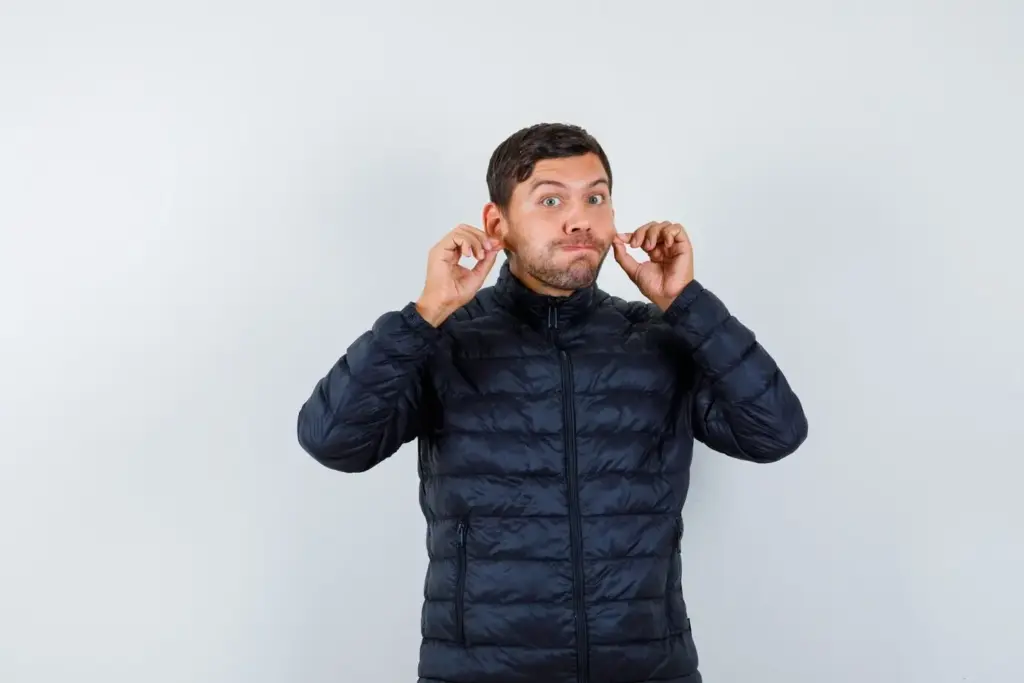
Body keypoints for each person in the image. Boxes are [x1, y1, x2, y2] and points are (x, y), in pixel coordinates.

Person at [296, 122, 808, 683]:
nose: (579, 219)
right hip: (480, 672)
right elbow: (334, 441)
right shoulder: (444, 340)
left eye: (596, 198)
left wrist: (686, 303)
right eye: (550, 200)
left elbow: (775, 433)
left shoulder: (658, 337)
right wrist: (425, 314)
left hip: (647, 669)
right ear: (498, 224)